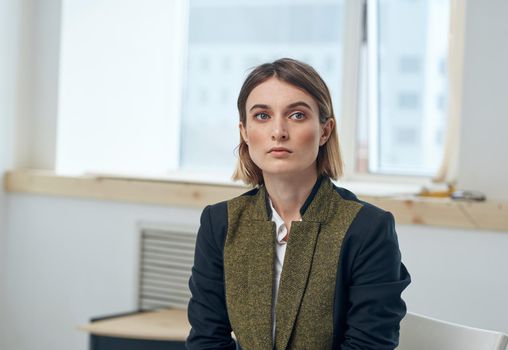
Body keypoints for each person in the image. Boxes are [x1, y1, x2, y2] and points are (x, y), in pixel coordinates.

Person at [186, 58, 410, 350]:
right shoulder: (220, 223)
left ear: (325, 131)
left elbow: (369, 345)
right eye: (262, 116)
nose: (278, 131)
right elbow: (206, 340)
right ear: (244, 131)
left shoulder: (368, 228)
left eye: (297, 115)